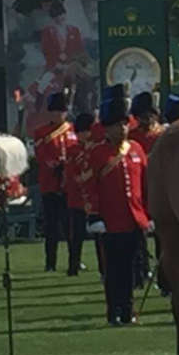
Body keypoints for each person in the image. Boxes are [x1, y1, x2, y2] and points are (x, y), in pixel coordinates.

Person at [84, 84, 153, 326]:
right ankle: (113, 311)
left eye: (125, 124)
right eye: (117, 125)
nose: (122, 128)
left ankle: (128, 311)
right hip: (110, 222)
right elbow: (89, 186)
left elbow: (144, 185)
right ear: (108, 127)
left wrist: (149, 213)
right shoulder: (97, 154)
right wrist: (94, 216)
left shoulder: (137, 149)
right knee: (113, 271)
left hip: (134, 219)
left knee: (133, 269)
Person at [34, 92, 76, 272]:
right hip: (50, 184)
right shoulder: (41, 133)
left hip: (70, 186)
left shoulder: (73, 130)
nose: (58, 115)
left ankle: (74, 261)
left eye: (61, 111)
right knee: (51, 227)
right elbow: (41, 156)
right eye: (55, 112)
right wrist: (55, 165)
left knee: (70, 227)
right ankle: (50, 263)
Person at [63, 113, 95, 276]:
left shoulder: (95, 148)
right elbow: (71, 173)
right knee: (76, 235)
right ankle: (73, 265)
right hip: (78, 197)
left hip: (93, 198)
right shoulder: (73, 150)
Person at [41, 1, 86, 72]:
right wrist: (56, 64)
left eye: (61, 14)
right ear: (53, 18)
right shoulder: (48, 32)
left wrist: (73, 63)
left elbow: (79, 49)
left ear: (65, 13)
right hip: (55, 67)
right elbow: (46, 51)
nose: (60, 17)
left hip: (72, 65)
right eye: (56, 15)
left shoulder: (74, 30)